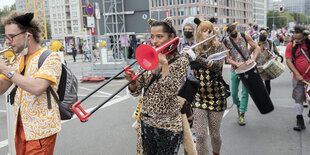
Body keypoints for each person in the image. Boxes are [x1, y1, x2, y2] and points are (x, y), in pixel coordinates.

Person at [124, 17, 189, 155]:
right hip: (147, 122)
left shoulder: (181, 61)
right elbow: (136, 91)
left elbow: (169, 93)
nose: (154, 41)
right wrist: (132, 81)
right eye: (152, 36)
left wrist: (164, 65)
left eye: (160, 36)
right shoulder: (147, 57)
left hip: (169, 124)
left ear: (171, 37)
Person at [0, 11, 62, 155]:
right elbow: (2, 88)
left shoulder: (50, 57)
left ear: (28, 36)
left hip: (40, 130)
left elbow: (37, 87)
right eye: (6, 37)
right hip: (20, 129)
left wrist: (5, 69)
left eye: (11, 37)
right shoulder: (18, 59)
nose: (7, 41)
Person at [183, 17, 227, 155]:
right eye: (205, 31)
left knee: (215, 134)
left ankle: (216, 152)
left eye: (210, 30)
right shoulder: (195, 49)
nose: (209, 33)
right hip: (199, 96)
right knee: (201, 136)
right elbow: (183, 68)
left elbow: (217, 67)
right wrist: (185, 56)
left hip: (216, 95)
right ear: (199, 33)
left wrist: (196, 58)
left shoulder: (219, 47)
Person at [223, 22, 260, 126]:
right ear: (228, 32)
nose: (234, 32)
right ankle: (238, 105)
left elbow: (257, 48)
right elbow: (228, 59)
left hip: (247, 69)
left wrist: (253, 59)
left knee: (245, 92)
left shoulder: (245, 36)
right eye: (231, 32)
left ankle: (242, 114)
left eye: (234, 30)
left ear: (236, 28)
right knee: (234, 93)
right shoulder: (226, 41)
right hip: (235, 70)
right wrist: (237, 63)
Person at [285, 25, 310, 131]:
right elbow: (289, 61)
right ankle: (300, 120)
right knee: (298, 98)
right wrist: (297, 74)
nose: (297, 40)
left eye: (299, 39)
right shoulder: (291, 45)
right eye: (295, 38)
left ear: (305, 36)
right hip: (298, 77)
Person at [178, 16, 197, 141]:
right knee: (183, 105)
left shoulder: (198, 43)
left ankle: (194, 130)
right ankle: (183, 129)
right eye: (186, 28)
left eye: (190, 29)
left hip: (195, 78)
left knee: (195, 105)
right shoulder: (179, 43)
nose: (187, 31)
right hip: (182, 78)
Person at [252, 28, 280, 94]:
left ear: (267, 34)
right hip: (258, 67)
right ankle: (261, 99)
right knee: (259, 85)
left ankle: (268, 100)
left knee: (267, 84)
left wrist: (276, 55)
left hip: (268, 67)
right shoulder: (255, 43)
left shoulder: (271, 43)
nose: (262, 34)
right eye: (261, 33)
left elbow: (277, 52)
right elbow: (248, 52)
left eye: (264, 33)